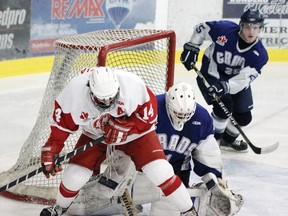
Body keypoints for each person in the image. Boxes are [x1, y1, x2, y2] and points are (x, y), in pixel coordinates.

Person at [67, 82, 243, 216]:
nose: (181, 118)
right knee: (110, 189)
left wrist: (214, 180)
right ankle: (109, 198)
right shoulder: (151, 108)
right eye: (177, 113)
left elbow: (208, 154)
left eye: (185, 115)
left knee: (168, 209)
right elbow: (126, 140)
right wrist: (118, 169)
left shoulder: (202, 119)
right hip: (141, 168)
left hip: (176, 172)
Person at [40, 67, 197, 216]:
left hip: (136, 136)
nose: (108, 104)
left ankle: (188, 210)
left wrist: (129, 126)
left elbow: (150, 117)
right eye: (102, 100)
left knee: (160, 171)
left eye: (111, 98)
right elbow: (61, 129)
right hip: (95, 135)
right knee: (74, 176)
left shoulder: (132, 85)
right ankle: (59, 207)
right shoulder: (73, 94)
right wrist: (52, 148)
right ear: (90, 90)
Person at [180, 9, 268, 152]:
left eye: (255, 27)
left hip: (234, 82)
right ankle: (212, 141)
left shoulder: (260, 55)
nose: (250, 31)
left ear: (260, 29)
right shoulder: (224, 30)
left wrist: (226, 86)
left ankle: (227, 141)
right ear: (241, 26)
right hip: (211, 73)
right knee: (223, 106)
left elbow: (244, 79)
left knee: (244, 117)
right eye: (247, 27)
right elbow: (201, 28)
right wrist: (192, 46)